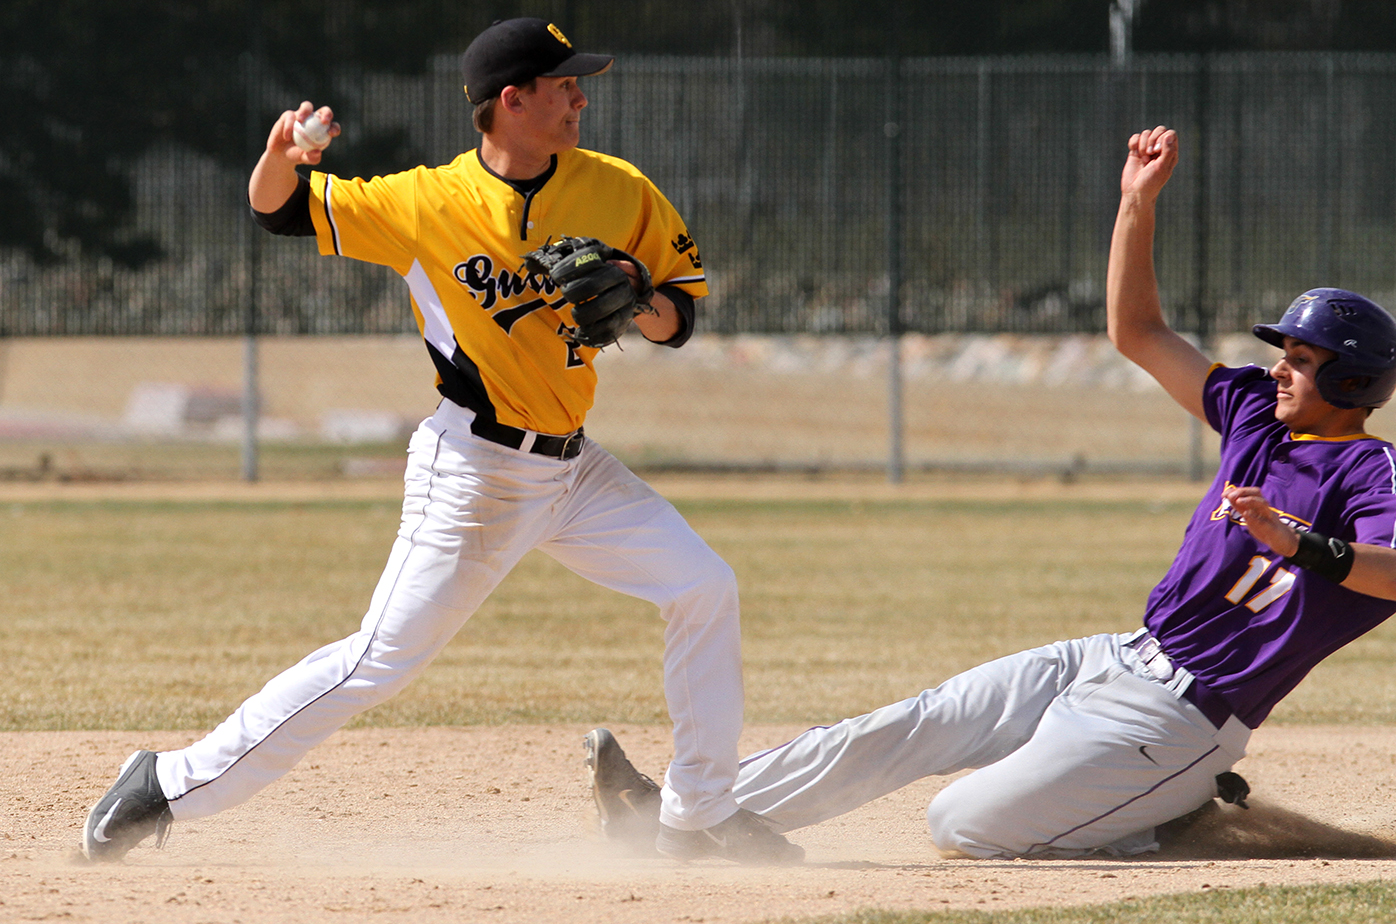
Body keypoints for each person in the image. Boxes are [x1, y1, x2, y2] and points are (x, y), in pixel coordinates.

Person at [81, 17, 799, 866]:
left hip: (575, 471)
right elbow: (276, 210)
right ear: (512, 99)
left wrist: (638, 295)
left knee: (705, 588)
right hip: (475, 473)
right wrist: (282, 155)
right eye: (563, 82)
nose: (580, 94)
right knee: (374, 663)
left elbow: (680, 315)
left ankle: (697, 810)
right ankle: (163, 781)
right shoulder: (425, 202)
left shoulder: (619, 188)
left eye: (579, 82)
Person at [585, 125, 1396, 861]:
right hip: (1112, 656)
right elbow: (1137, 331)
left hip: (1183, 721)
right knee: (913, 724)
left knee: (961, 823)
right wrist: (1135, 205)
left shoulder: (1371, 472)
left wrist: (1302, 543)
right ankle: (688, 817)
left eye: (1304, 355)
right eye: (1285, 349)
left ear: (1353, 379)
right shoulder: (1257, 412)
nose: (1283, 365)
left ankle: (1157, 817)